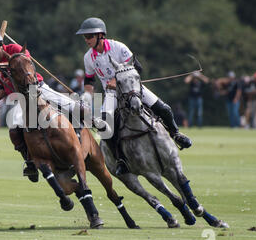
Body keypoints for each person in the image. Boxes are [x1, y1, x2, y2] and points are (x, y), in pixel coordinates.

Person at [0, 28, 101, 182]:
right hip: (20, 98)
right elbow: (3, 85)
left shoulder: (13, 49)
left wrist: (10, 60)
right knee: (14, 129)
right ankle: (30, 163)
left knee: (74, 106)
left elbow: (27, 63)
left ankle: (94, 122)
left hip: (37, 88)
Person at [76, 17, 192, 176]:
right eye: (85, 37)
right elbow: (89, 79)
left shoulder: (119, 47)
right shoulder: (88, 57)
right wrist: (87, 96)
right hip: (111, 94)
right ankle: (121, 160)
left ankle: (176, 134)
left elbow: (137, 67)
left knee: (163, 108)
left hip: (132, 88)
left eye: (89, 36)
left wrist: (116, 80)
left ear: (101, 35)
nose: (86, 40)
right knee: (104, 129)